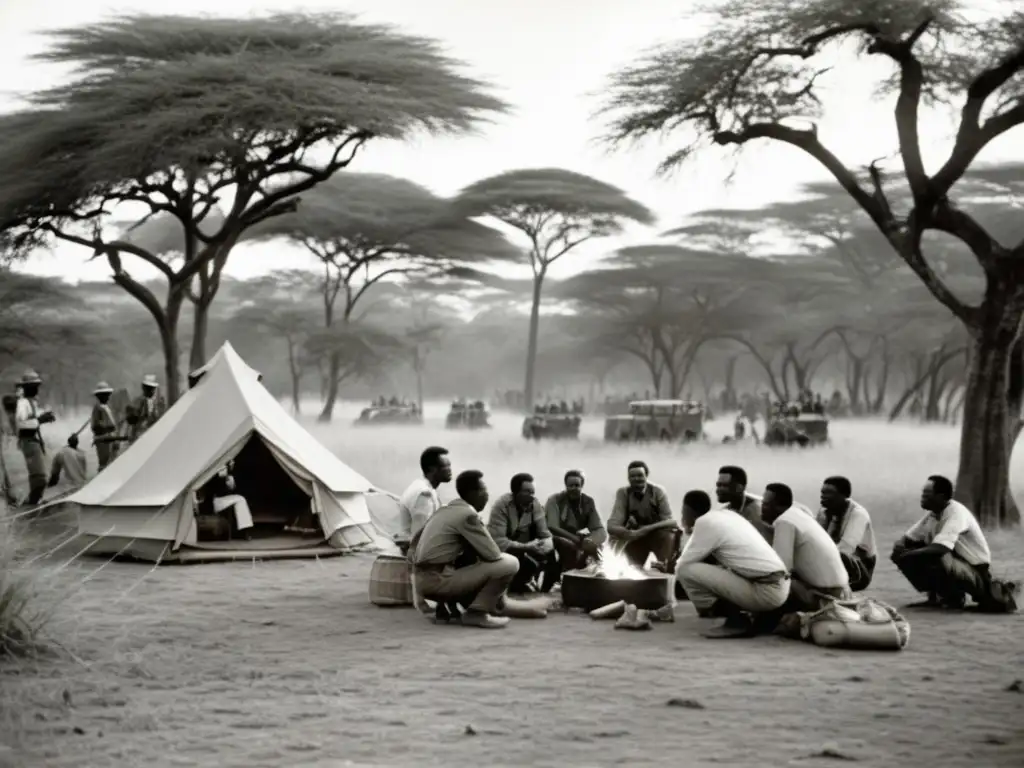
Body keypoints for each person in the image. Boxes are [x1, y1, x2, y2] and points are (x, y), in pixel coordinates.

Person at [410, 470, 520, 629]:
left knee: (468, 555)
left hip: (422, 581)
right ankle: (477, 613)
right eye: (485, 491)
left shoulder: (446, 509)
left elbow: (414, 545)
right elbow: (493, 555)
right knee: (509, 563)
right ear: (473, 493)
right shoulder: (468, 515)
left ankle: (447, 607)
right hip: (437, 581)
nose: (487, 496)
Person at [675, 489, 790, 638]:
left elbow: (683, 563)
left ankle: (736, 620)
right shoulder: (727, 515)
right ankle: (750, 614)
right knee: (717, 569)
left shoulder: (704, 523)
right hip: (780, 586)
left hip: (766, 591)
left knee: (685, 570)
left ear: (686, 511)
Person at [892, 475, 1016, 612]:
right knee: (904, 552)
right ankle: (936, 596)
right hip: (957, 564)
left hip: (975, 571)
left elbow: (941, 548)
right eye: (923, 493)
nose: (922, 497)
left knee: (933, 554)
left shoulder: (956, 513)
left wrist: (909, 554)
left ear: (941, 496)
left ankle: (955, 598)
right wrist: (901, 550)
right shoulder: (933, 515)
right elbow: (907, 539)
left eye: (927, 494)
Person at [761, 482, 850, 616]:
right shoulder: (798, 514)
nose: (761, 508)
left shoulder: (784, 522)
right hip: (842, 591)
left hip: (823, 596)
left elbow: (781, 569)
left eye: (766, 504)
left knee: (769, 584)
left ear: (780, 506)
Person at [487, 473, 554, 593]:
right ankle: (515, 584)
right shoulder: (501, 506)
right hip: (504, 552)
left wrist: (545, 546)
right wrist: (526, 547)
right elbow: (498, 542)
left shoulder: (535, 504)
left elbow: (544, 533)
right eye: (527, 492)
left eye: (533, 492)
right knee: (527, 564)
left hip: (526, 547)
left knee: (554, 550)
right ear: (515, 493)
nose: (532, 496)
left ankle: (544, 589)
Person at [543, 469, 607, 589]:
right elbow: (552, 526)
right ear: (566, 486)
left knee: (596, 550)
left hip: (581, 540)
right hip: (557, 539)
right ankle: (564, 583)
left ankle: (595, 583)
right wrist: (576, 540)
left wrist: (592, 540)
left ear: (582, 485)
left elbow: (598, 528)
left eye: (577, 485)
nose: (574, 488)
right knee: (568, 547)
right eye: (570, 485)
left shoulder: (588, 501)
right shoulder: (555, 500)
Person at [607, 460, 678, 567]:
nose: (636, 479)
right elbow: (612, 525)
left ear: (646, 476)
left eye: (640, 475)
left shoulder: (657, 491)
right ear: (628, 479)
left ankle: (665, 566)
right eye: (632, 476)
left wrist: (645, 529)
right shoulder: (623, 493)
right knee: (629, 567)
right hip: (636, 538)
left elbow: (671, 522)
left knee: (668, 535)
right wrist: (627, 533)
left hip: (657, 536)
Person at [817, 476, 877, 591]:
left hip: (859, 567)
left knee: (839, 555)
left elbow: (846, 548)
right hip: (831, 560)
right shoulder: (823, 512)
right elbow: (815, 539)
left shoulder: (858, 514)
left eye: (829, 493)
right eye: (822, 492)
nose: (823, 496)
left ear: (844, 495)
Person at [395, 446, 452, 554]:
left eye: (450, 465)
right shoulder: (423, 494)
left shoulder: (426, 488)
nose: (450, 469)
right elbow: (421, 537)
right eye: (445, 466)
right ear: (432, 469)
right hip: (416, 555)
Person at [14, 370, 55, 506]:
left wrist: (46, 415)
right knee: (39, 477)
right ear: (27, 388)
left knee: (40, 475)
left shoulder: (31, 402)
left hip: (34, 440)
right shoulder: (22, 403)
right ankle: (31, 503)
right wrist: (40, 420)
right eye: (34, 386)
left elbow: (35, 416)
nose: (37, 389)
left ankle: (35, 500)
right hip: (28, 441)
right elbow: (21, 423)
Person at [715, 465, 771, 542]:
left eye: (725, 486)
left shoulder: (757, 512)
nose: (719, 489)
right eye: (718, 485)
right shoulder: (726, 510)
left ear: (739, 488)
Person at [205, 461, 254, 541]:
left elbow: (231, 489)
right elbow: (214, 489)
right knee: (240, 499)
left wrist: (229, 476)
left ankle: (244, 530)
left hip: (222, 499)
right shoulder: (216, 472)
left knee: (241, 500)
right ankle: (244, 531)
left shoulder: (229, 475)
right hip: (214, 501)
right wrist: (223, 477)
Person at [126, 374, 164, 443]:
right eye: (148, 388)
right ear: (144, 388)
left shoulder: (155, 403)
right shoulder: (139, 401)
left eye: (152, 388)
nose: (151, 391)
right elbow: (133, 419)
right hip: (140, 432)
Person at [90, 381, 119, 469]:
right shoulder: (98, 408)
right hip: (103, 440)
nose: (108, 397)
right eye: (105, 395)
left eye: (108, 394)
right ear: (99, 396)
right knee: (104, 464)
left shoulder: (106, 407)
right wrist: (108, 430)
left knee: (112, 463)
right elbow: (96, 427)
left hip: (110, 438)